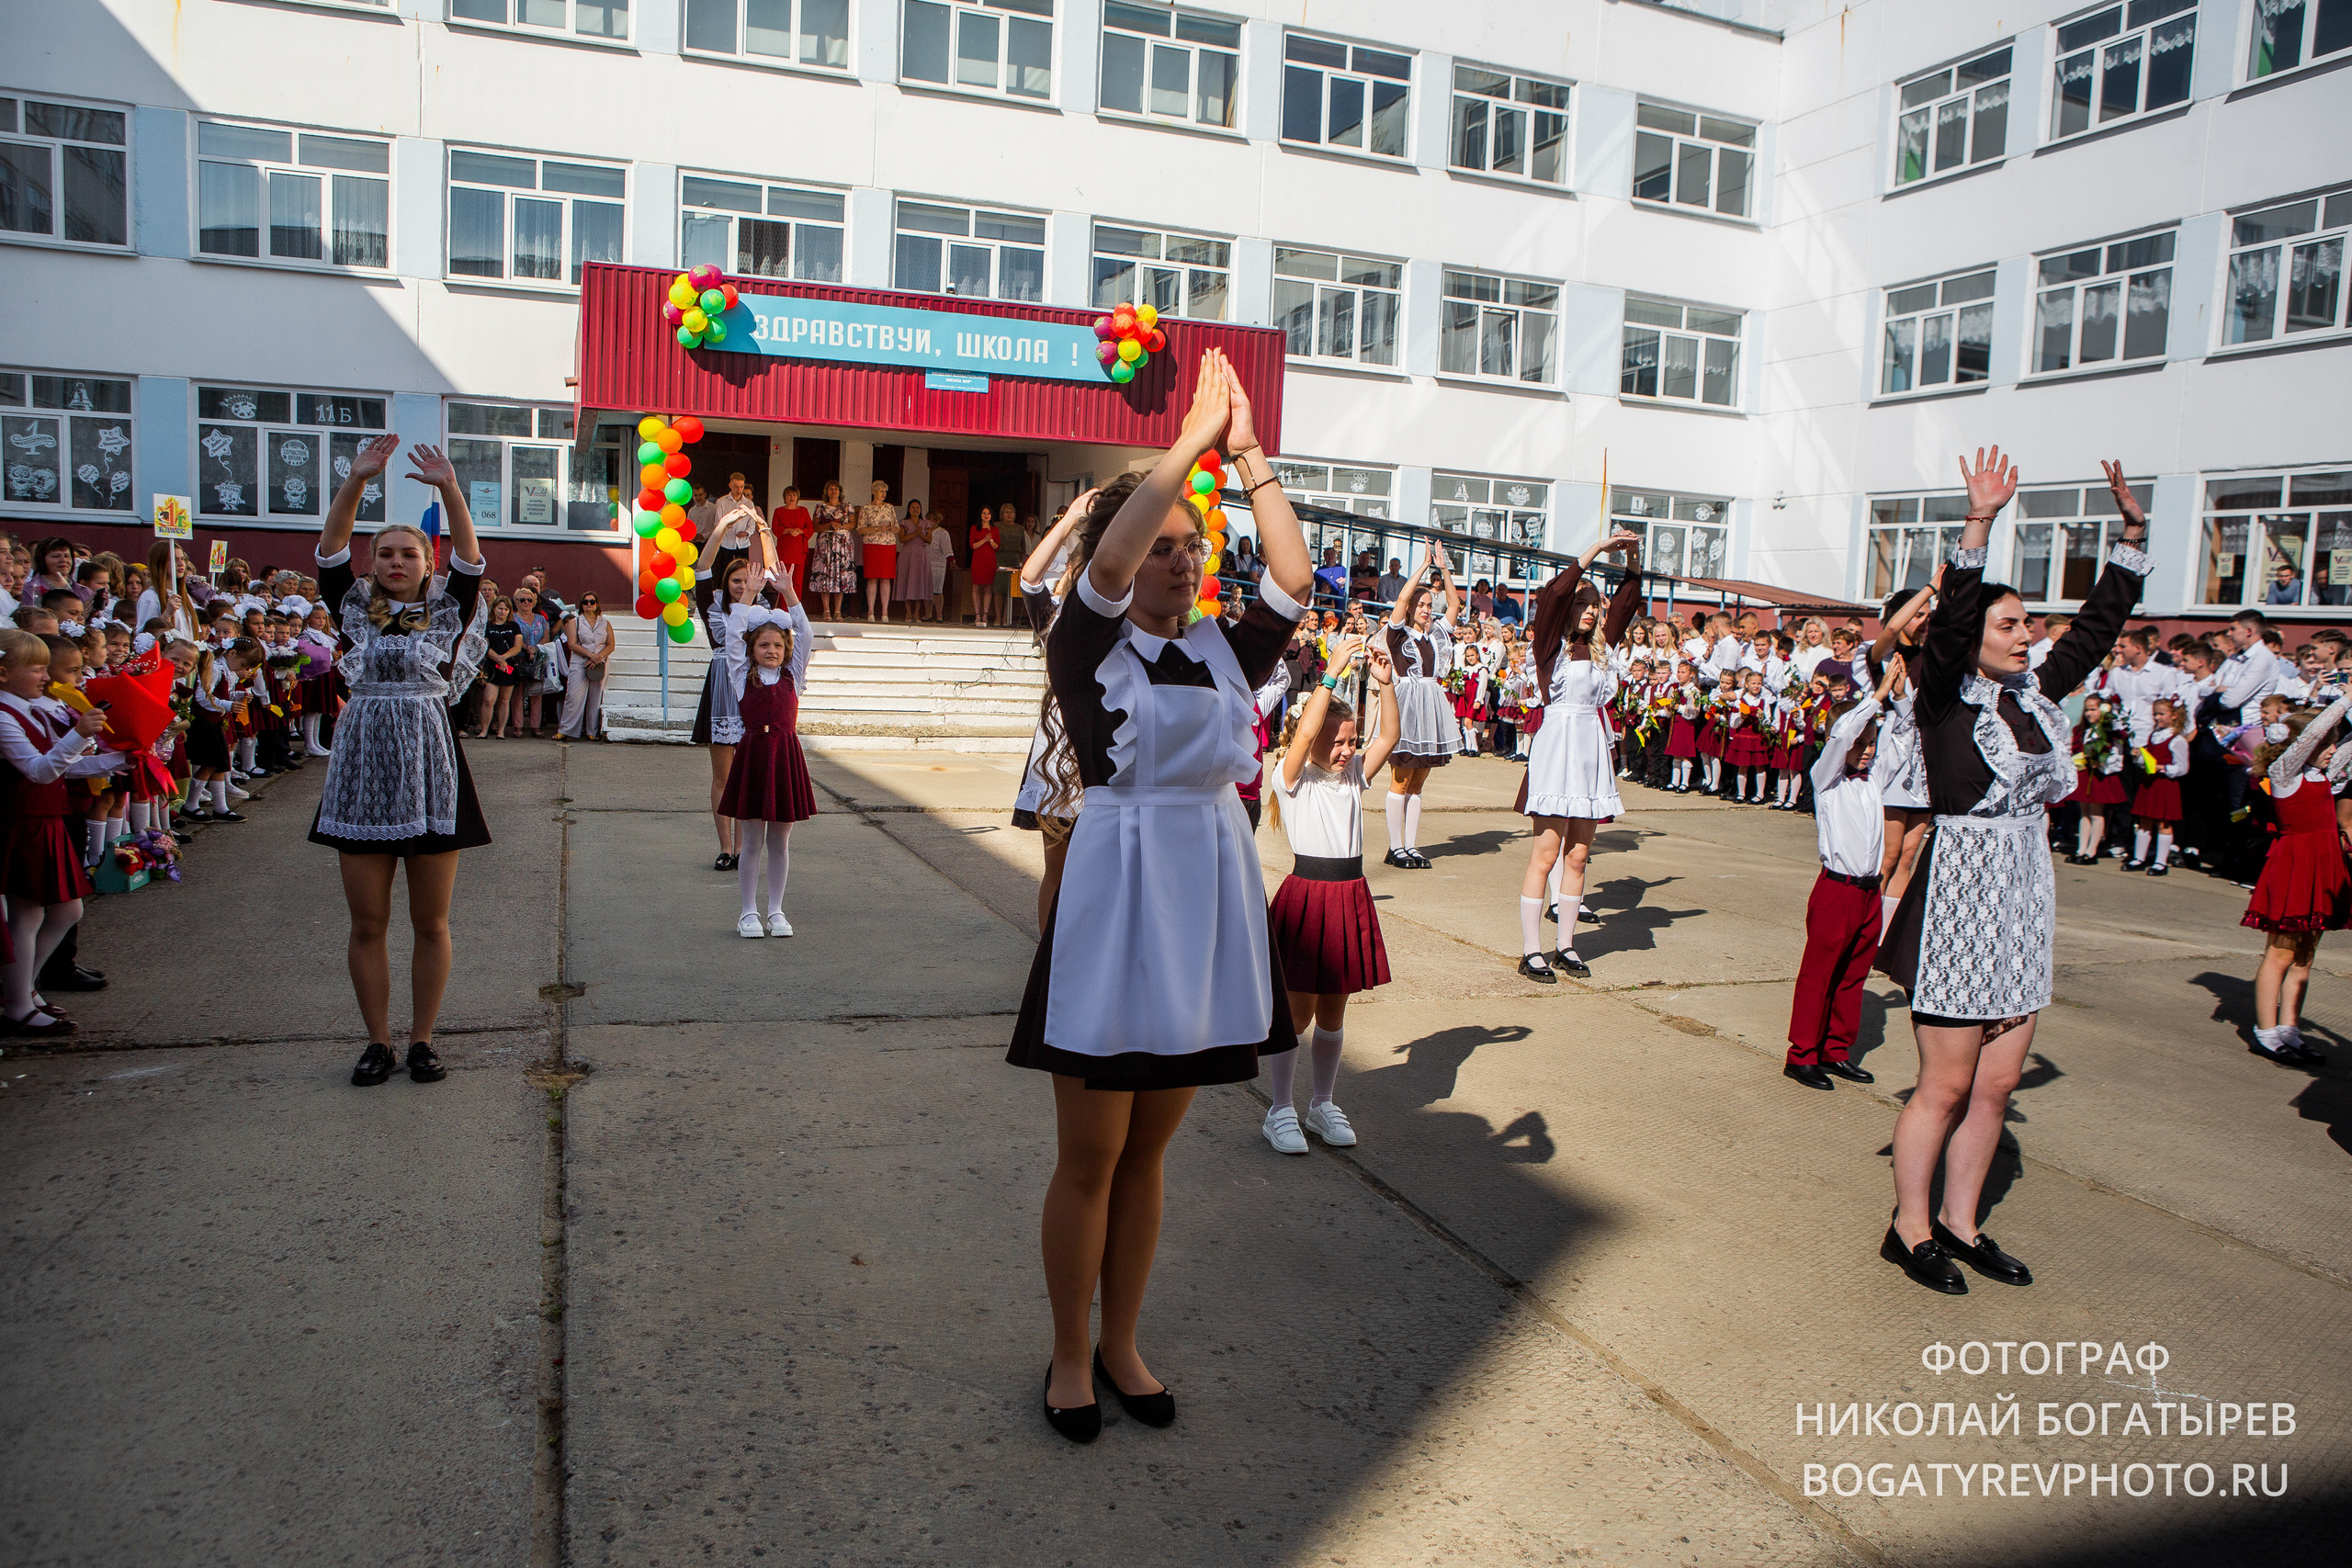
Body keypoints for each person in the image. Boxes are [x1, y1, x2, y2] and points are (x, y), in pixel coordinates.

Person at [1012, 350, 1311, 1444]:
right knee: (1089, 1158)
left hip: (1203, 918)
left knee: (1149, 1156)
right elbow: (1113, 555)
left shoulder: (1229, 653)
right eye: (1165, 547)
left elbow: (1292, 578)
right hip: (1113, 912)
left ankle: (1122, 1341)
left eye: (1195, 548)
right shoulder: (1083, 643)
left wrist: (1247, 456)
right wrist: (1183, 446)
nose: (1184, 563)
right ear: (1122, 561)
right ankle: (1064, 1354)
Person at [1876, 451, 2147, 1294]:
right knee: (1947, 1083)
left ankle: (1962, 1222)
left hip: (2025, 895)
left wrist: (2132, 538)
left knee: (1996, 1086)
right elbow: (1953, 621)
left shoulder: (2038, 694)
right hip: (1959, 891)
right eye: (2012, 625)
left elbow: (2097, 629)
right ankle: (1909, 1228)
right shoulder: (1945, 695)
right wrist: (1980, 525)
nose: (2028, 634)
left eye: (2030, 622)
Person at [309, 434, 491, 1089]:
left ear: (425, 559)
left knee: (431, 921)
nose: (394, 561)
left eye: (407, 552)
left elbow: (471, 560)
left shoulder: (449, 606)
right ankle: (377, 1042)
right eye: (384, 552)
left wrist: (448, 487)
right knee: (367, 922)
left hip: (431, 766)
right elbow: (329, 551)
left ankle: (422, 1040)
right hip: (363, 769)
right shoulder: (355, 605)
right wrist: (356, 480)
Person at [1260, 635, 1398, 1155]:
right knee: (1296, 1014)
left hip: (1347, 896)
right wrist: (1332, 675)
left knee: (1335, 1012)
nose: (1346, 751)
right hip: (1307, 897)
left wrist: (1386, 685)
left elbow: (1389, 735)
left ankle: (1322, 1102)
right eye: (1337, 742)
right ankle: (1280, 1109)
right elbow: (1308, 731)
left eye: (1350, 741)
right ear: (1310, 737)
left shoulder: (1354, 776)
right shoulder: (1292, 779)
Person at [1512, 529, 1642, 982]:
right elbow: (1554, 592)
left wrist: (1633, 558)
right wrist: (1596, 550)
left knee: (1579, 855)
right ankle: (1532, 950)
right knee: (1545, 854)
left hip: (1590, 750)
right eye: (1585, 606)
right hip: (1556, 747)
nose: (1591, 613)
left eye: (1596, 608)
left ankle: (1566, 946)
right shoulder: (1549, 645)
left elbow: (1627, 601)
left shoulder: (1603, 647)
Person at [0, 628, 130, 1036]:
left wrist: (119, 760)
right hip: (23, 821)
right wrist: (80, 734)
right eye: (37, 669)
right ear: (3, 673)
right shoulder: (5, 716)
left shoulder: (33, 708)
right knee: (29, 912)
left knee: (65, 910)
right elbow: (39, 771)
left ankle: (21, 988)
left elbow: (65, 767)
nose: (45, 677)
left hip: (46, 819)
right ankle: (18, 1002)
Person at [1785, 659, 1903, 1089]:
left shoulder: (1873, 780)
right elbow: (1843, 735)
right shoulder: (1827, 777)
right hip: (1837, 890)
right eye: (1862, 743)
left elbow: (1902, 742)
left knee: (1853, 974)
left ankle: (1836, 1050)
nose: (1868, 750)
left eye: (1871, 743)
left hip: (1870, 891)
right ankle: (1801, 1054)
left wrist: (1899, 697)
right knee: (1819, 974)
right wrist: (1875, 697)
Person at [716, 527, 817, 938]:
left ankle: (776, 910)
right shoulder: (741, 675)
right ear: (753, 650)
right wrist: (746, 597)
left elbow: (806, 634)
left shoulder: (793, 675)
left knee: (781, 841)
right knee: (752, 841)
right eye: (764, 646)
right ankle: (747, 912)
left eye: (777, 645)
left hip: (786, 756)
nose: (771, 650)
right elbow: (734, 640)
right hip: (754, 755)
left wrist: (789, 594)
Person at [2240, 694, 2347, 1066]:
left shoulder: (2324, 776)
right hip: (2294, 868)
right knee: (2281, 954)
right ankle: (2266, 1033)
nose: (2333, 748)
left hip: (2322, 867)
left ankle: (2289, 1030)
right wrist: (2347, 696)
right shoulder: (2285, 774)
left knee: (2304, 957)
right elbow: (2311, 732)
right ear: (2306, 745)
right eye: (2326, 742)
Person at [1011, 493, 1098, 933]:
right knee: (1058, 868)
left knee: (1104, 872)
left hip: (1111, 747)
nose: (1071, 577)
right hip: (1061, 753)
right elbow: (1029, 579)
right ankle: (1048, 958)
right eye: (1070, 570)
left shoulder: (1127, 619)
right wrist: (1068, 522)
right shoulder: (1054, 619)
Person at [1378, 543, 1465, 868]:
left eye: (1430, 604)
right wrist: (1422, 566)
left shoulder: (1437, 635)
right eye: (1423, 604)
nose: (1427, 609)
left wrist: (1443, 569)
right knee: (1400, 779)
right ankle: (1395, 846)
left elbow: (1455, 603)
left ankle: (1411, 845)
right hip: (1407, 707)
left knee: (1418, 782)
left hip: (1430, 708)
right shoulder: (1398, 635)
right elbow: (1401, 600)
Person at [692, 544, 770, 871]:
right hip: (722, 691)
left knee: (751, 777)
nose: (741, 586)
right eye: (735, 581)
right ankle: (725, 847)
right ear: (727, 583)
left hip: (752, 690)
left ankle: (744, 849)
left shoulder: (763, 607)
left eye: (746, 580)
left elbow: (776, 569)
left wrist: (762, 531)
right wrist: (723, 525)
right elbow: (702, 568)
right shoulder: (714, 606)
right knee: (723, 777)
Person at [2124, 695, 2190, 873]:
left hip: (2165, 785)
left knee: (2163, 823)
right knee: (2144, 820)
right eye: (2155, 714)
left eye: (2161, 714)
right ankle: (2139, 858)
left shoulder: (2177, 740)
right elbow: (2147, 761)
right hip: (2149, 784)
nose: (2157, 718)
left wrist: (2163, 768)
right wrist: (2140, 757)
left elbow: (2183, 768)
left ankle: (2161, 862)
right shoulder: (2154, 735)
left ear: (2174, 715)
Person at [2060, 692, 2127, 864]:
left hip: (2099, 775)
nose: (2089, 713)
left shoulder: (2109, 733)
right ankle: (2081, 849)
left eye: (2093, 709)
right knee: (2084, 812)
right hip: (2085, 773)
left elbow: (2116, 759)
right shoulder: (2082, 731)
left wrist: (2100, 763)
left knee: (2097, 813)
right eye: (2087, 710)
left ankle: (2092, 851)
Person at [560, 592, 612, 740]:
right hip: (580, 661)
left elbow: (611, 644)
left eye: (592, 601)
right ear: (581, 604)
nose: (589, 604)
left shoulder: (605, 623)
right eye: (585, 602)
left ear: (597, 604)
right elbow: (572, 644)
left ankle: (592, 731)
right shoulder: (574, 622)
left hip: (599, 663)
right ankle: (566, 729)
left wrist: (598, 657)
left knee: (595, 698)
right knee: (574, 696)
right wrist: (591, 655)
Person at [806, 480, 856, 622]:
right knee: (825, 576)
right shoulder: (820, 507)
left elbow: (853, 524)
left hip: (843, 545)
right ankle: (826, 610)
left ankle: (838, 611)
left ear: (840, 491)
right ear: (826, 491)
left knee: (841, 576)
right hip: (825, 544)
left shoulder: (847, 506)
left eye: (836, 488)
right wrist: (828, 525)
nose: (833, 491)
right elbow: (815, 527)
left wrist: (840, 524)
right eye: (830, 488)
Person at [476, 598, 523, 739]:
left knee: (504, 700)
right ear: (494, 609)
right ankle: (484, 730)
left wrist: (504, 658)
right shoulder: (487, 626)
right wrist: (497, 658)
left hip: (508, 666)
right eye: (500, 608)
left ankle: (501, 731)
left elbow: (517, 646)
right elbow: (484, 646)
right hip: (492, 666)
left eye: (506, 609)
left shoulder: (514, 626)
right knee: (489, 699)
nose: (503, 612)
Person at [857, 480, 899, 622]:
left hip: (888, 545)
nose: (883, 494)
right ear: (874, 492)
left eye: (885, 492)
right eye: (881, 491)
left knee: (886, 578)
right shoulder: (866, 508)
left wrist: (893, 529)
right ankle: (871, 612)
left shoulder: (890, 508)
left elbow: (897, 528)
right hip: (872, 545)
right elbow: (860, 529)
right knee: (872, 578)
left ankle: (885, 613)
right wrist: (877, 529)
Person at [894, 499, 933, 622]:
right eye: (913, 507)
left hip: (920, 554)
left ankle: (917, 613)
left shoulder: (926, 523)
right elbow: (901, 539)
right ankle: (908, 613)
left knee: (919, 583)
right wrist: (915, 533)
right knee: (907, 582)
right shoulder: (903, 523)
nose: (915, 510)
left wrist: (920, 534)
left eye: (918, 507)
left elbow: (929, 540)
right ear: (908, 509)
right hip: (907, 554)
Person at [770, 485, 811, 596]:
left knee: (797, 581)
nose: (792, 497)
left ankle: (796, 608)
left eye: (794, 495)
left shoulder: (803, 511)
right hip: (784, 550)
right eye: (789, 495)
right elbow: (775, 528)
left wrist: (799, 531)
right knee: (785, 580)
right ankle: (784, 609)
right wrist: (788, 530)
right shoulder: (778, 511)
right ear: (784, 497)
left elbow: (810, 528)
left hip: (799, 551)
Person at [968, 505, 1002, 628]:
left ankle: (985, 615)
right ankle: (977, 614)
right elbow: (973, 545)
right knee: (976, 587)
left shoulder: (995, 529)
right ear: (980, 515)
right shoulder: (974, 528)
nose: (986, 515)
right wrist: (985, 539)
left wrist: (991, 540)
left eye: (988, 513)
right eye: (984, 513)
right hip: (978, 560)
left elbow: (996, 547)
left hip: (990, 561)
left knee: (988, 587)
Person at [928, 510, 953, 624]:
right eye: (929, 519)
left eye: (933, 519)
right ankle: (927, 614)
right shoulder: (925, 531)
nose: (931, 521)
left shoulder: (943, 533)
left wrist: (951, 561)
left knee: (937, 591)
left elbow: (947, 549)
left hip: (938, 565)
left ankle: (939, 616)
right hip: (926, 564)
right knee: (926, 590)